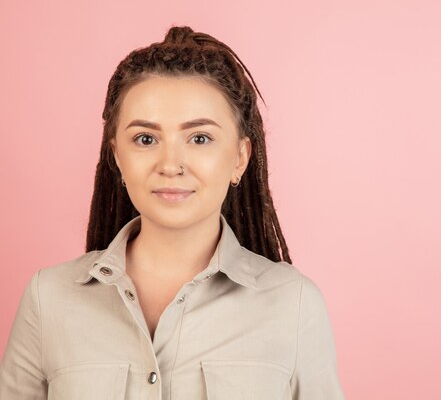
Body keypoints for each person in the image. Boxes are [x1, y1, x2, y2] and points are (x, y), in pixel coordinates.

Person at [0, 25, 345, 400]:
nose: (170, 164)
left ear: (240, 158)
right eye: (146, 139)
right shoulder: (47, 299)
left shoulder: (293, 305)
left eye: (199, 138)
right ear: (117, 157)